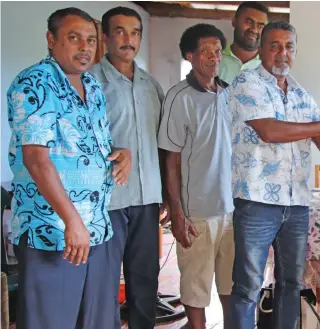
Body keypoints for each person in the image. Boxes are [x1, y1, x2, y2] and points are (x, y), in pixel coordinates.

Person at [227, 21, 320, 329]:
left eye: (289, 47)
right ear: (261, 49)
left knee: (291, 284)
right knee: (247, 287)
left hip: (297, 204)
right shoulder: (247, 83)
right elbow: (269, 131)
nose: (283, 54)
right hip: (257, 203)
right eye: (275, 46)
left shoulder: (301, 94)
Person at [6, 7, 131, 329]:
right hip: (53, 233)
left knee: (98, 321)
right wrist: (72, 221)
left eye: (90, 40)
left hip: (96, 227)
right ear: (51, 40)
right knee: (53, 321)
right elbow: (36, 158)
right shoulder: (34, 83)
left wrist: (120, 153)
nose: (84, 47)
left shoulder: (92, 86)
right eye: (74, 38)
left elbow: (86, 146)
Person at [89, 6, 165, 329]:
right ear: (104, 38)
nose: (127, 39)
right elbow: (79, 138)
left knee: (145, 280)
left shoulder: (151, 85)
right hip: (107, 202)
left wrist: (169, 196)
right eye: (119, 31)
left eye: (134, 33)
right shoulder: (90, 82)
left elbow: (162, 141)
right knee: (103, 283)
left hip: (147, 199)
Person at [158, 24, 233, 329]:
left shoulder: (229, 94)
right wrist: (176, 210)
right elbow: (170, 158)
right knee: (195, 286)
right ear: (190, 56)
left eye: (217, 51)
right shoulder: (179, 97)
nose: (213, 57)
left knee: (231, 284)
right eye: (205, 51)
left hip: (231, 210)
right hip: (195, 213)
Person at [219, 1, 269, 84]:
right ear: (234, 21)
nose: (254, 29)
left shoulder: (268, 66)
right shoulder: (215, 59)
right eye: (249, 22)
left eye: (260, 26)